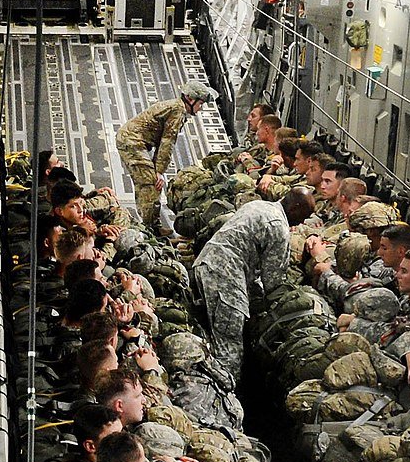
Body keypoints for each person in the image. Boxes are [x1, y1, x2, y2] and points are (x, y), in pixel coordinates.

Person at [190, 191, 314, 392]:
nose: (302, 222)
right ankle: (225, 399)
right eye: (304, 216)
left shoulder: (258, 206)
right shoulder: (278, 227)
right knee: (229, 348)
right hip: (226, 280)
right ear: (295, 208)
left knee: (214, 334)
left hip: (207, 265)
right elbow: (274, 282)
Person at [116, 81, 217, 229]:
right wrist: (159, 172)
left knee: (146, 183)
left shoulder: (176, 106)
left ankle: (150, 225)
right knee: (151, 184)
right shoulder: (178, 111)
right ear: (190, 99)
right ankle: (151, 229)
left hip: (130, 140)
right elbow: (167, 143)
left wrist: (157, 168)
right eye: (200, 103)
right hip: (132, 143)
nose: (200, 108)